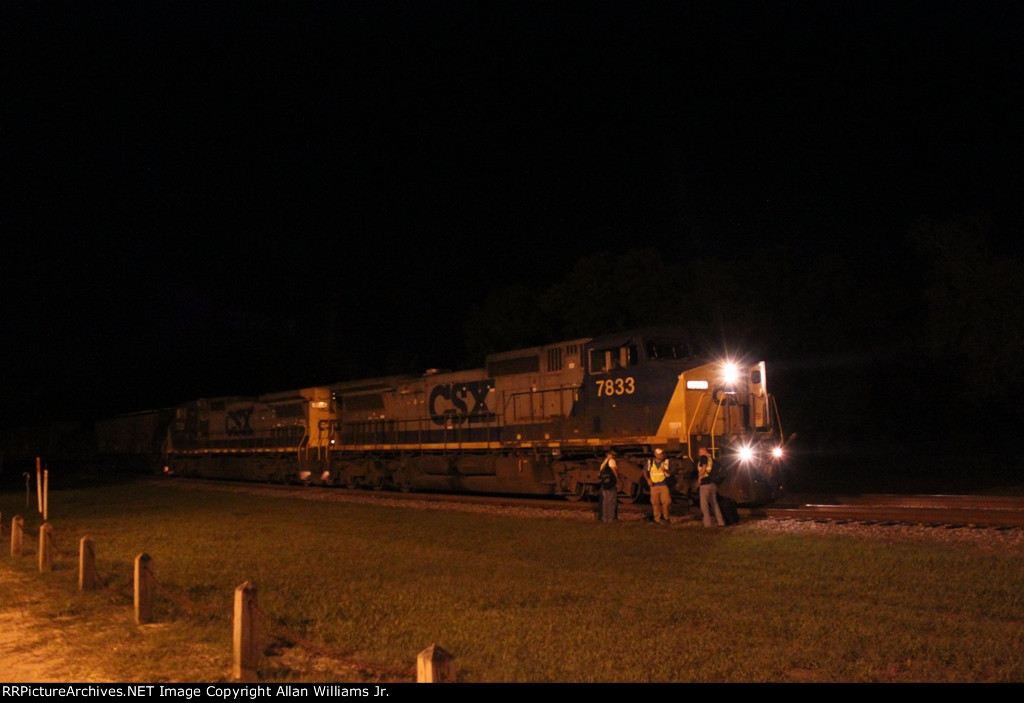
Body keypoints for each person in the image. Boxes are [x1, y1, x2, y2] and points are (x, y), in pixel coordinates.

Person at [697, 447, 725, 527]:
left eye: (699, 451)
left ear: (703, 451)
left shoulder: (704, 457)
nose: (699, 453)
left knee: (704, 505)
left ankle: (707, 524)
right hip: (713, 484)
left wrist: (700, 476)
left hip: (705, 483)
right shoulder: (712, 459)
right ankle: (721, 522)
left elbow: (703, 468)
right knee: (714, 504)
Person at [645, 448, 672, 524]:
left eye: (662, 454)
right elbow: (644, 471)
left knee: (667, 502)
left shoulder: (666, 462)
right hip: (654, 486)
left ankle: (666, 518)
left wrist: (666, 470)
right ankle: (657, 519)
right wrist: (648, 480)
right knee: (655, 503)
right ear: (655, 454)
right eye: (659, 454)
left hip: (664, 485)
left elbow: (671, 471)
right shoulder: (650, 463)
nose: (661, 455)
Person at [598, 450, 619, 523]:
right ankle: (610, 519)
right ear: (609, 455)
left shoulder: (604, 463)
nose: (613, 456)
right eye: (612, 454)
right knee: (611, 501)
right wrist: (617, 480)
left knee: (605, 502)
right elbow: (614, 470)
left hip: (604, 484)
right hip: (611, 484)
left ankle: (604, 518)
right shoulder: (611, 461)